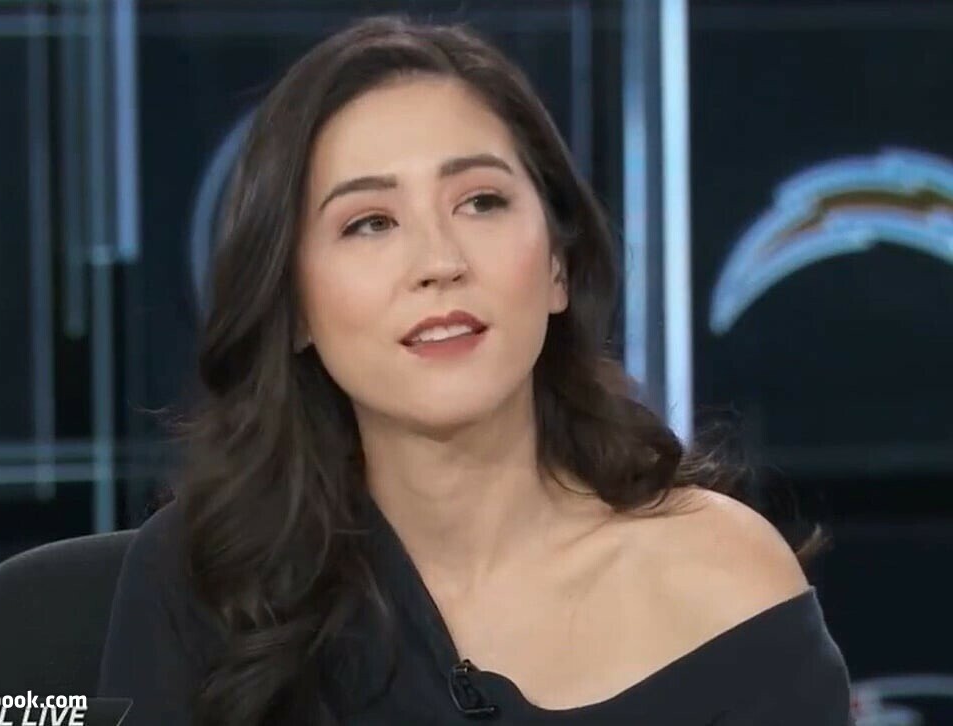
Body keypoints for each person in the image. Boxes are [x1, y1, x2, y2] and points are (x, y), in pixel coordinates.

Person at [98, 15, 853, 726]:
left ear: (558, 266)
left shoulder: (719, 582)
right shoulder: (211, 582)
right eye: (370, 222)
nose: (440, 261)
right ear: (295, 307)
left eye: (482, 202)